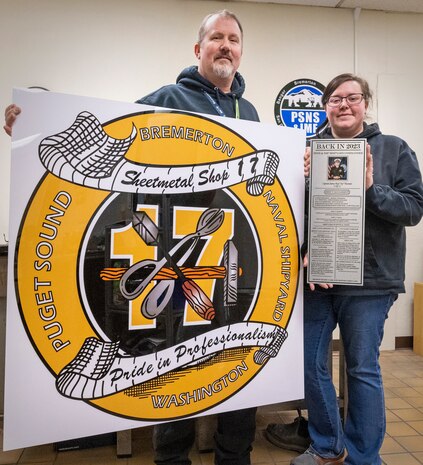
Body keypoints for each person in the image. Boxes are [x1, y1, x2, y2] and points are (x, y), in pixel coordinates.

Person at [4, 9, 259, 465]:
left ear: (241, 51)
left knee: (234, 362)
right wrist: (33, 126)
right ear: (198, 50)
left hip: (231, 253)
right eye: (216, 38)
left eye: (233, 39)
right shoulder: (167, 97)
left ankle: (234, 458)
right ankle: (170, 459)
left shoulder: (252, 112)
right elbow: (106, 132)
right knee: (173, 360)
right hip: (172, 244)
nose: (225, 46)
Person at [292, 73, 423, 465]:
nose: (344, 105)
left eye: (353, 97)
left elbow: (414, 208)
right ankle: (327, 445)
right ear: (325, 106)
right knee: (309, 363)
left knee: (362, 367)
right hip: (318, 280)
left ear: (366, 103)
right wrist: (305, 250)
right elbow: (289, 214)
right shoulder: (306, 151)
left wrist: (370, 190)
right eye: (335, 99)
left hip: (370, 282)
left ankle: (363, 457)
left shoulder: (394, 149)